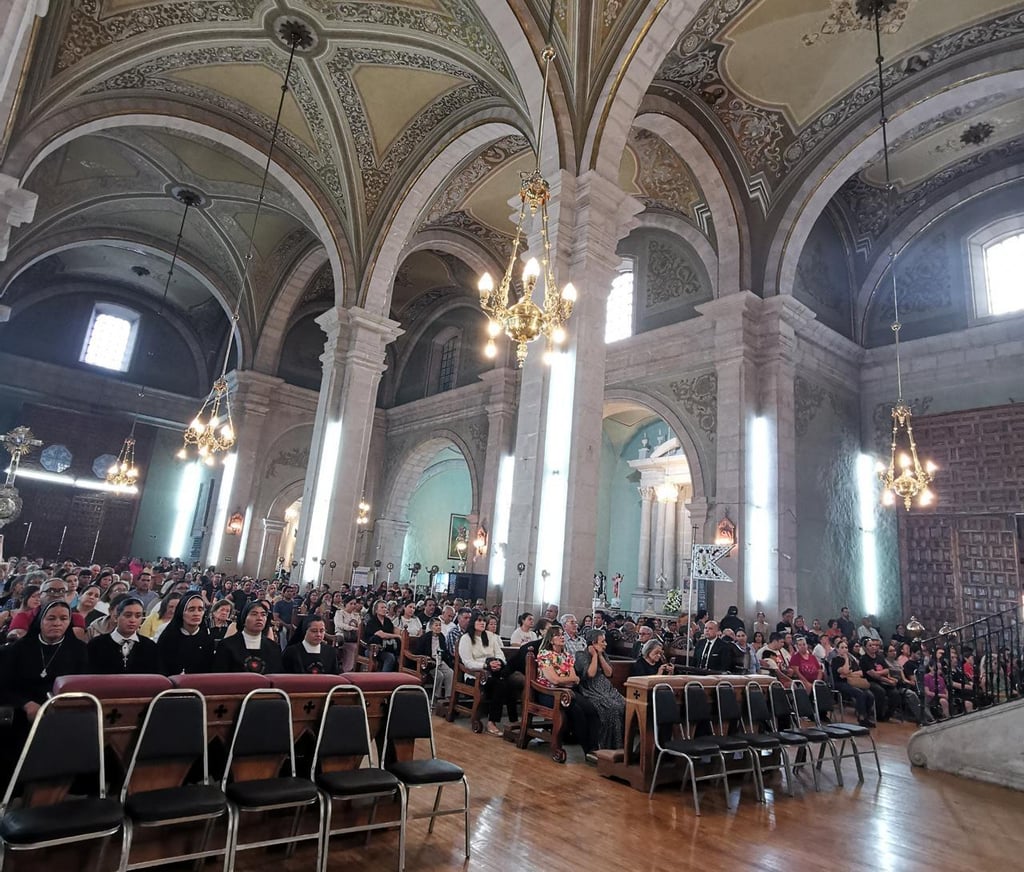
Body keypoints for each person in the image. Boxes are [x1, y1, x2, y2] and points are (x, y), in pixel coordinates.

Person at [0, 600, 90, 726]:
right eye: (51, 618)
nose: (57, 623)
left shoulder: (79, 650)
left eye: (63, 618)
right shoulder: (18, 649)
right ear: (40, 620)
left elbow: (80, 686)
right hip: (20, 712)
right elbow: (4, 686)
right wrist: (26, 704)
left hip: (61, 714)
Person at [536, 624, 600, 761]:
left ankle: (594, 748)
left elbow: (575, 679)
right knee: (576, 711)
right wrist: (565, 680)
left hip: (568, 691)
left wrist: (565, 680)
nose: (561, 637)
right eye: (558, 635)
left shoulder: (566, 655)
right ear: (551, 639)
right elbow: (553, 679)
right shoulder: (545, 655)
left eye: (562, 634)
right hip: (550, 693)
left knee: (592, 709)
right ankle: (587, 749)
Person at [458, 611, 510, 735]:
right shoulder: (466, 639)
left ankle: (498, 721)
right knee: (498, 685)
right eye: (479, 620)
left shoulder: (490, 636)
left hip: (493, 670)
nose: (482, 623)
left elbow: (499, 653)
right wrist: (486, 665)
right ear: (473, 623)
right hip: (475, 675)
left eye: (483, 621)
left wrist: (498, 662)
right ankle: (489, 722)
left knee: (505, 682)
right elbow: (467, 662)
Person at [574, 629, 625, 750]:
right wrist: (594, 655)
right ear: (593, 643)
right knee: (611, 707)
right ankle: (605, 745)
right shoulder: (581, 655)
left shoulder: (604, 655)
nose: (605, 644)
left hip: (606, 688)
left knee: (622, 704)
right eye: (602, 641)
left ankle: (619, 744)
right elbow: (591, 674)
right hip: (591, 689)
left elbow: (609, 673)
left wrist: (600, 655)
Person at [88, 597, 162, 674]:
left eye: (138, 616)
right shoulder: (96, 644)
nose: (132, 620)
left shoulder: (150, 646)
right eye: (128, 615)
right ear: (116, 617)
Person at [213, 601, 283, 674]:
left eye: (263, 615)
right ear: (244, 618)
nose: (260, 618)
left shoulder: (274, 647)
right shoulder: (227, 645)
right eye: (254, 614)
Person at [157, 593, 214, 675]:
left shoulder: (207, 640)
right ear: (181, 612)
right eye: (191, 609)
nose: (196, 613)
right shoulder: (168, 638)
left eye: (200, 609)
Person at [830, 640, 875, 727]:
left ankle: (866, 716)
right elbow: (844, 671)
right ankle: (862, 718)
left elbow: (861, 672)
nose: (844, 649)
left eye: (846, 647)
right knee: (859, 694)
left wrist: (848, 674)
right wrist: (846, 660)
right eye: (842, 648)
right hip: (840, 683)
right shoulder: (836, 660)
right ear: (837, 649)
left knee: (870, 695)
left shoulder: (852, 660)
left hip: (852, 681)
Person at [413, 617, 455, 701]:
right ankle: (436, 696)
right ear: (431, 627)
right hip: (429, 662)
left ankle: (448, 696)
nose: (438, 627)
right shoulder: (425, 638)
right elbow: (418, 652)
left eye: (440, 625)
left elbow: (445, 651)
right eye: (436, 625)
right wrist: (428, 659)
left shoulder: (442, 637)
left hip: (440, 660)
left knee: (450, 673)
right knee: (439, 675)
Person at [364, 599, 402, 671]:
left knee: (396, 657)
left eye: (385, 607)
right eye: (382, 607)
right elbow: (381, 634)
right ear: (376, 610)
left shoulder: (388, 621)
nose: (384, 609)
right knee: (390, 657)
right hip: (372, 649)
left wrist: (399, 633)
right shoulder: (372, 622)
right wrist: (397, 636)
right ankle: (383, 678)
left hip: (386, 647)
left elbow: (393, 631)